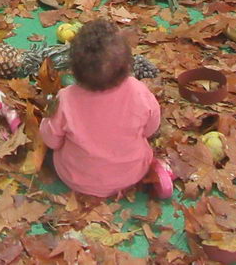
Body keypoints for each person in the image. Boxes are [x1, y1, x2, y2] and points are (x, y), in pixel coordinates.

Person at [39, 19, 174, 198]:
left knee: (48, 152)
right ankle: (158, 168)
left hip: (76, 177)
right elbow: (151, 127)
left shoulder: (65, 99)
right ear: (127, 65)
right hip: (131, 173)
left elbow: (51, 140)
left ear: (73, 70)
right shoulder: (138, 91)